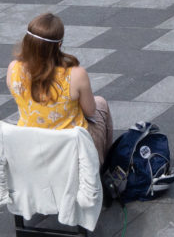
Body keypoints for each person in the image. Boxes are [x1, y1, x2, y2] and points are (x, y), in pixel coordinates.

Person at [7, 12, 113, 160]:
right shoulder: (76, 74)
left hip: (30, 142)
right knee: (101, 104)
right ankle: (104, 169)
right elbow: (90, 111)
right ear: (58, 44)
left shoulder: (14, 68)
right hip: (70, 149)